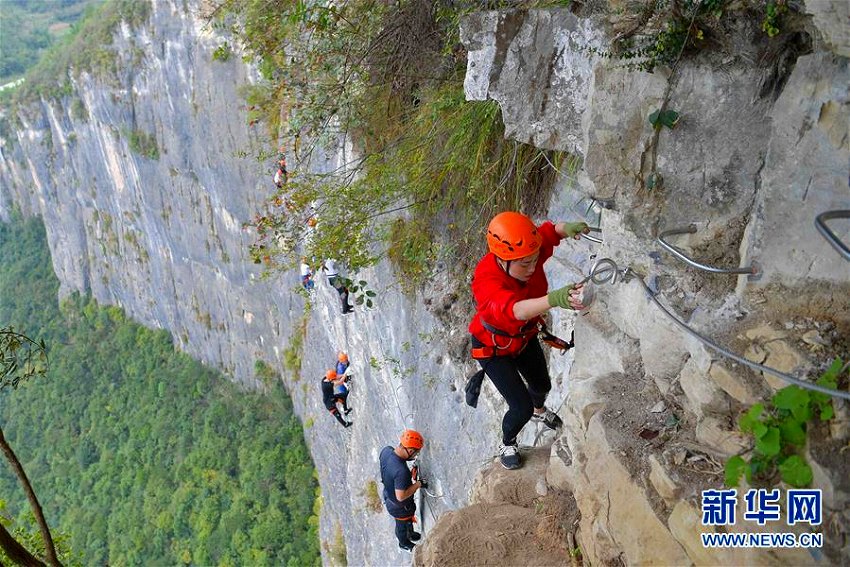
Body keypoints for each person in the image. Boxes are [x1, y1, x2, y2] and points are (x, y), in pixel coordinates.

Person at [469, 211, 589, 470]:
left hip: (523, 336)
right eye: (524, 264)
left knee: (542, 384)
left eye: (534, 260)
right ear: (502, 260)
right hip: (493, 348)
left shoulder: (525, 255)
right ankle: (508, 441)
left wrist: (566, 228)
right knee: (520, 407)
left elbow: (547, 233)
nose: (532, 267)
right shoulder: (487, 280)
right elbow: (515, 310)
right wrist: (555, 300)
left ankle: (539, 411)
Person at [379, 430, 426, 552]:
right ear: (410, 451)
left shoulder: (387, 451)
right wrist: (418, 484)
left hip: (389, 494)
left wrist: (406, 478)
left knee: (406, 522)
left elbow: (390, 472)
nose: (415, 456)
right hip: (399, 506)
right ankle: (404, 543)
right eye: (415, 453)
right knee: (401, 526)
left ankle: (409, 534)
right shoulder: (401, 471)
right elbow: (401, 496)